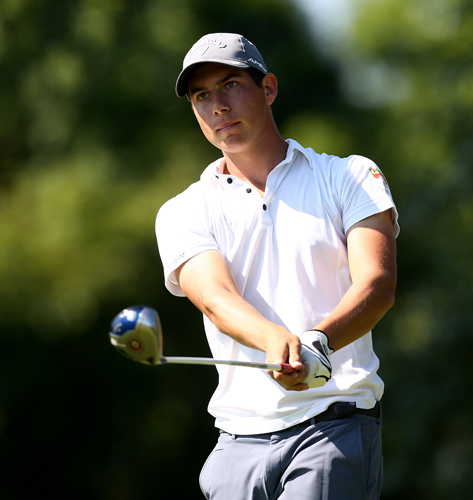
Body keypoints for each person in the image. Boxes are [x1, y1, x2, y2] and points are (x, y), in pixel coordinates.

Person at [155, 32, 399, 500]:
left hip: (333, 422)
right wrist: (272, 339)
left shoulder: (349, 175)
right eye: (202, 96)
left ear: (267, 88)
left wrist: (318, 342)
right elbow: (214, 296)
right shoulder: (182, 210)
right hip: (235, 439)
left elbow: (377, 282)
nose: (218, 106)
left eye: (230, 85)